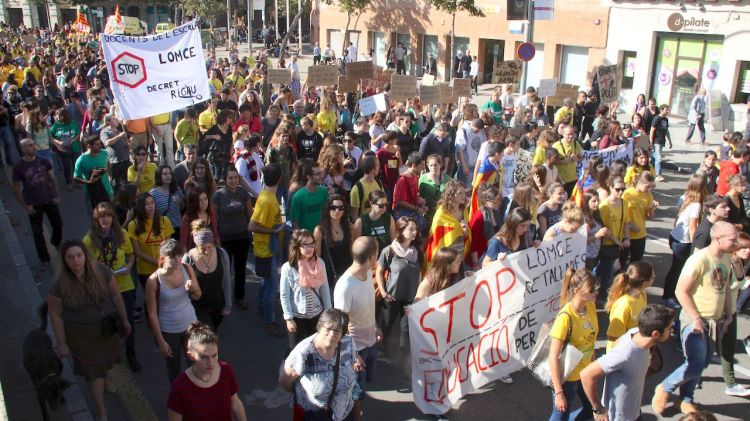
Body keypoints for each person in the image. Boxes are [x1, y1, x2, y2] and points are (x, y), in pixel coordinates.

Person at [652, 222, 738, 415]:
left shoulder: (725, 258)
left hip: (714, 321)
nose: (736, 243)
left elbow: (724, 288)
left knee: (704, 362)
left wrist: (729, 314)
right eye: (732, 239)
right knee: (694, 363)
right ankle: (665, 387)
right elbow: (680, 291)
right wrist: (696, 318)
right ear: (717, 239)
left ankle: (686, 398)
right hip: (695, 321)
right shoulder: (699, 259)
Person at [47, 240, 131, 421]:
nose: (76, 260)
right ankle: (102, 412)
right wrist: (61, 343)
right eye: (71, 257)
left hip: (105, 331)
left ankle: (106, 377)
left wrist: (124, 319)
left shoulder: (101, 271)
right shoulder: (59, 285)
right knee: (94, 376)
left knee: (106, 363)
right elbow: (55, 314)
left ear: (85, 256)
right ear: (65, 260)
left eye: (79, 255)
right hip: (81, 338)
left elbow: (116, 295)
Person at [580, 304, 676, 421]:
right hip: (619, 417)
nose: (672, 331)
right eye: (669, 328)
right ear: (655, 334)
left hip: (633, 411)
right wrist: (597, 408)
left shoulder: (635, 331)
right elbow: (586, 374)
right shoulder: (625, 354)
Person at [83, 202, 140, 372]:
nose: (105, 219)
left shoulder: (121, 234)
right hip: (103, 288)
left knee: (127, 319)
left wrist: (129, 266)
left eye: (108, 216)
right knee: (108, 322)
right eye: (102, 216)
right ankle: (112, 354)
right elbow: (86, 265)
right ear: (96, 219)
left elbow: (130, 255)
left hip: (124, 284)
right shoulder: (88, 240)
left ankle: (131, 353)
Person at [279, 308, 363, 421]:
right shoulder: (302, 353)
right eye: (328, 329)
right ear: (319, 327)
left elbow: (352, 363)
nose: (332, 334)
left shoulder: (348, 343)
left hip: (344, 413)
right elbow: (285, 382)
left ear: (343, 332)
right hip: (314, 415)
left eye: (337, 330)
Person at [334, 236, 382, 418]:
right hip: (356, 350)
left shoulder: (368, 273)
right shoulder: (345, 286)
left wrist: (375, 325)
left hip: (370, 342)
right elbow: (338, 325)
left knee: (363, 386)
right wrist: (352, 354)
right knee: (357, 391)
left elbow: (369, 304)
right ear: (371, 256)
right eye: (376, 253)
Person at [145, 239, 201, 385]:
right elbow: (152, 314)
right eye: (172, 256)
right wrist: (161, 341)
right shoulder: (153, 281)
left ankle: (197, 397)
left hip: (191, 326)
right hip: (169, 331)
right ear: (162, 259)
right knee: (174, 369)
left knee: (195, 364)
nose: (177, 260)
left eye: (179, 255)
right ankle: (178, 402)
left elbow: (198, 295)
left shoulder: (187, 268)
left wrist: (192, 289)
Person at [167, 321, 247, 421]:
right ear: (191, 356)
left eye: (214, 356)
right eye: (204, 357)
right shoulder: (180, 387)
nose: (211, 363)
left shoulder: (225, 370)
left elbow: (235, 404)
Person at [548, 268, 599, 421]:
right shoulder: (565, 318)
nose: (596, 292)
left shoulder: (590, 306)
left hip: (586, 373)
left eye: (597, 287)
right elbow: (553, 357)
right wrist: (558, 392)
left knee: (591, 408)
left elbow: (592, 339)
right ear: (577, 290)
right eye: (592, 289)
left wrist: (593, 365)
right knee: (561, 414)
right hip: (568, 378)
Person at [375, 217, 421, 368]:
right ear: (401, 230)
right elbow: (379, 271)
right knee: (387, 325)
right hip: (392, 297)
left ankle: (405, 361)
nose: (414, 232)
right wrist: (383, 292)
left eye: (415, 229)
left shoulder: (415, 251)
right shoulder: (389, 251)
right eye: (411, 229)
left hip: (409, 298)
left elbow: (419, 273)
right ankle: (383, 349)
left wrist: (418, 295)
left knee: (406, 329)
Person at [12, 137, 63, 266]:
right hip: (33, 203)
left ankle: (55, 243)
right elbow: (16, 188)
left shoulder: (44, 161)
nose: (33, 147)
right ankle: (44, 258)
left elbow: (52, 179)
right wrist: (25, 206)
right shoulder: (19, 167)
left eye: (33, 145)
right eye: (29, 146)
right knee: (37, 232)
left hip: (49, 199)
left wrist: (56, 196)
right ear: (23, 149)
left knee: (58, 225)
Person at [248, 163, 285, 336]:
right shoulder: (267, 200)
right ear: (279, 179)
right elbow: (252, 226)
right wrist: (274, 230)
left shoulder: (267, 195)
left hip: (269, 248)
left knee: (266, 281)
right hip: (266, 250)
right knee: (272, 287)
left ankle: (262, 304)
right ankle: (270, 320)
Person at [280, 229, 332, 347]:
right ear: (297, 247)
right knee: (295, 350)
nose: (309, 248)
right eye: (305, 245)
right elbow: (284, 295)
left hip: (317, 316)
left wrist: (328, 314)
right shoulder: (288, 268)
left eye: (311, 244)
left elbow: (325, 291)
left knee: (315, 349)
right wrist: (288, 319)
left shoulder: (320, 263)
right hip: (297, 316)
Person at [211, 168, 253, 309]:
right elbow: (213, 217)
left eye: (235, 177)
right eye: (230, 178)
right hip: (225, 239)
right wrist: (215, 238)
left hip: (242, 237)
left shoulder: (243, 193)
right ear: (225, 179)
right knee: (224, 271)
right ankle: (222, 298)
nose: (234, 180)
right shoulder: (218, 195)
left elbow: (250, 213)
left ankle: (239, 297)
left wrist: (249, 232)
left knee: (240, 270)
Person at [663, 174, 707, 305]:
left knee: (675, 268)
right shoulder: (696, 205)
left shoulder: (684, 197)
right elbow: (693, 227)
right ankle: (669, 296)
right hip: (684, 241)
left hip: (675, 237)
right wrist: (696, 245)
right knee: (678, 269)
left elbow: (677, 218)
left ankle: (669, 294)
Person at [183, 220, 232, 330]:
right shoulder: (188, 258)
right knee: (208, 335)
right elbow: (184, 286)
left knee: (214, 330)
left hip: (218, 305)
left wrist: (228, 304)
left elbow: (227, 280)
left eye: (210, 247)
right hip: (198, 307)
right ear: (196, 245)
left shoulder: (222, 254)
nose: (207, 251)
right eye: (203, 248)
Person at [128, 192, 175, 302]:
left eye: (152, 203)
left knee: (165, 298)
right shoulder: (133, 225)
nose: (150, 206)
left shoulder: (164, 220)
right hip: (145, 271)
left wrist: (164, 262)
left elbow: (169, 246)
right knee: (151, 299)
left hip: (164, 268)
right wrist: (157, 261)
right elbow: (138, 253)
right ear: (141, 207)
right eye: (146, 204)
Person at [604, 261, 654, 351]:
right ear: (645, 282)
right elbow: (612, 336)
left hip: (635, 348)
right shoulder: (624, 305)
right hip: (620, 352)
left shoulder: (642, 294)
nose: (654, 279)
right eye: (653, 277)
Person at [597, 177, 631, 293]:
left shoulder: (624, 203)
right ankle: (605, 297)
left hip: (619, 243)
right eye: (617, 189)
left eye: (623, 189)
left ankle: (591, 282)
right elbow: (603, 228)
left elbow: (626, 222)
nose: (621, 192)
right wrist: (616, 240)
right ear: (610, 188)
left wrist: (627, 238)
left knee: (603, 268)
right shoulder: (605, 206)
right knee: (608, 273)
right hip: (607, 244)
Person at [314, 195, 354, 290]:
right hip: (328, 276)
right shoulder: (319, 230)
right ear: (327, 209)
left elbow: (352, 252)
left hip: (347, 274)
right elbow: (317, 256)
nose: (337, 211)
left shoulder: (350, 227)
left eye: (341, 208)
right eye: (333, 208)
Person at [622, 171, 658, 263]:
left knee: (636, 263)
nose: (649, 189)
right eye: (647, 186)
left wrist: (652, 209)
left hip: (640, 234)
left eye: (650, 187)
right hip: (626, 234)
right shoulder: (628, 194)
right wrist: (631, 226)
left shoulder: (648, 195)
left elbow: (649, 216)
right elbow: (622, 213)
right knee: (621, 263)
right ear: (639, 182)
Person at [74, 135, 114, 209]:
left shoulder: (104, 153)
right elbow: (76, 178)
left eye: (100, 143)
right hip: (91, 193)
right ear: (89, 146)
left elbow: (108, 165)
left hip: (107, 189)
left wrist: (110, 178)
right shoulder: (81, 160)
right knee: (95, 216)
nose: (100, 146)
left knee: (110, 213)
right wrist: (89, 182)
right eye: (97, 144)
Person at [289, 160, 329, 232]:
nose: (321, 176)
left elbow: (326, 214)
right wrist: (302, 239)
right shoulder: (298, 197)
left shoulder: (324, 192)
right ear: (309, 177)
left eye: (321, 173)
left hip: (322, 236)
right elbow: (294, 222)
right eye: (318, 174)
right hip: (307, 240)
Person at [354, 190, 398, 254]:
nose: (384, 208)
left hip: (385, 256)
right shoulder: (360, 221)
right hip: (368, 257)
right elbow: (357, 247)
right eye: (381, 205)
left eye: (386, 204)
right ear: (372, 204)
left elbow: (393, 240)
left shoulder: (389, 218)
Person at [50, 108, 80, 190]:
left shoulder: (72, 123)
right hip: (63, 149)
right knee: (66, 166)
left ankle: (77, 181)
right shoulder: (55, 126)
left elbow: (78, 133)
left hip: (74, 148)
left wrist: (73, 140)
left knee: (76, 165)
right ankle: (69, 183)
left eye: (57, 115)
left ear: (63, 116)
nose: (56, 117)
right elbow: (51, 137)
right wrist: (59, 143)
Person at [349, 154, 383, 220]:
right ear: (372, 170)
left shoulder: (378, 182)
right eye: (378, 165)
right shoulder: (357, 189)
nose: (379, 167)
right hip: (365, 227)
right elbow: (354, 216)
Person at [553, 125, 583, 196]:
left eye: (572, 134)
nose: (571, 136)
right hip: (561, 181)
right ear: (563, 134)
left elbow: (582, 158)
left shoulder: (576, 144)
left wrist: (576, 159)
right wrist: (564, 161)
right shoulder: (556, 146)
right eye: (568, 134)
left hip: (574, 179)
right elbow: (552, 163)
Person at [582, 190, 607, 271]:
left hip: (596, 253)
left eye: (598, 200)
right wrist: (597, 235)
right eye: (593, 201)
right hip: (586, 256)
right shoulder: (582, 218)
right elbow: (581, 240)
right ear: (586, 202)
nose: (597, 203)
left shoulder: (596, 215)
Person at [649, 104, 672, 182]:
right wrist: (651, 142)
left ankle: (649, 169)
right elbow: (652, 131)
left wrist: (670, 141)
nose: (668, 111)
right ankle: (658, 175)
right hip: (657, 141)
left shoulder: (666, 119)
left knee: (655, 157)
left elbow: (667, 131)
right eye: (666, 110)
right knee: (658, 158)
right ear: (662, 110)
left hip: (662, 140)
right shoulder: (656, 119)